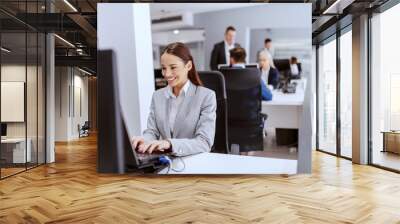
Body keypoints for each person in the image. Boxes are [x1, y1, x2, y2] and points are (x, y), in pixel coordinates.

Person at [131, 42, 217, 156]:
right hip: (167, 162)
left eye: (173, 67)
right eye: (163, 68)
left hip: (194, 161)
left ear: (188, 66)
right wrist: (144, 140)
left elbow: (204, 142)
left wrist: (170, 144)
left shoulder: (206, 96)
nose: (167, 74)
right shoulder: (157, 96)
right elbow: (152, 132)